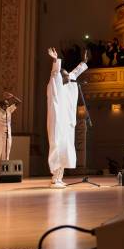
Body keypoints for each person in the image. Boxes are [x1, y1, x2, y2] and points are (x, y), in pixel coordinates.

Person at [46, 47, 88, 188]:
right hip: (57, 122)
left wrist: (84, 62)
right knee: (57, 146)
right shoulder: (55, 85)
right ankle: (54, 178)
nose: (66, 77)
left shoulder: (69, 83)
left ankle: (60, 177)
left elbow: (75, 73)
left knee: (65, 148)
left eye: (66, 76)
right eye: (64, 75)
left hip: (67, 123)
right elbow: (54, 73)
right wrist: (55, 60)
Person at [0, 87, 21, 181]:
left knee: (6, 156)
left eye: (7, 105)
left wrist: (12, 96)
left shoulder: (9, 111)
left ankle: (4, 174)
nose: (7, 106)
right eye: (5, 105)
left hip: (8, 136)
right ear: (1, 106)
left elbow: (19, 102)